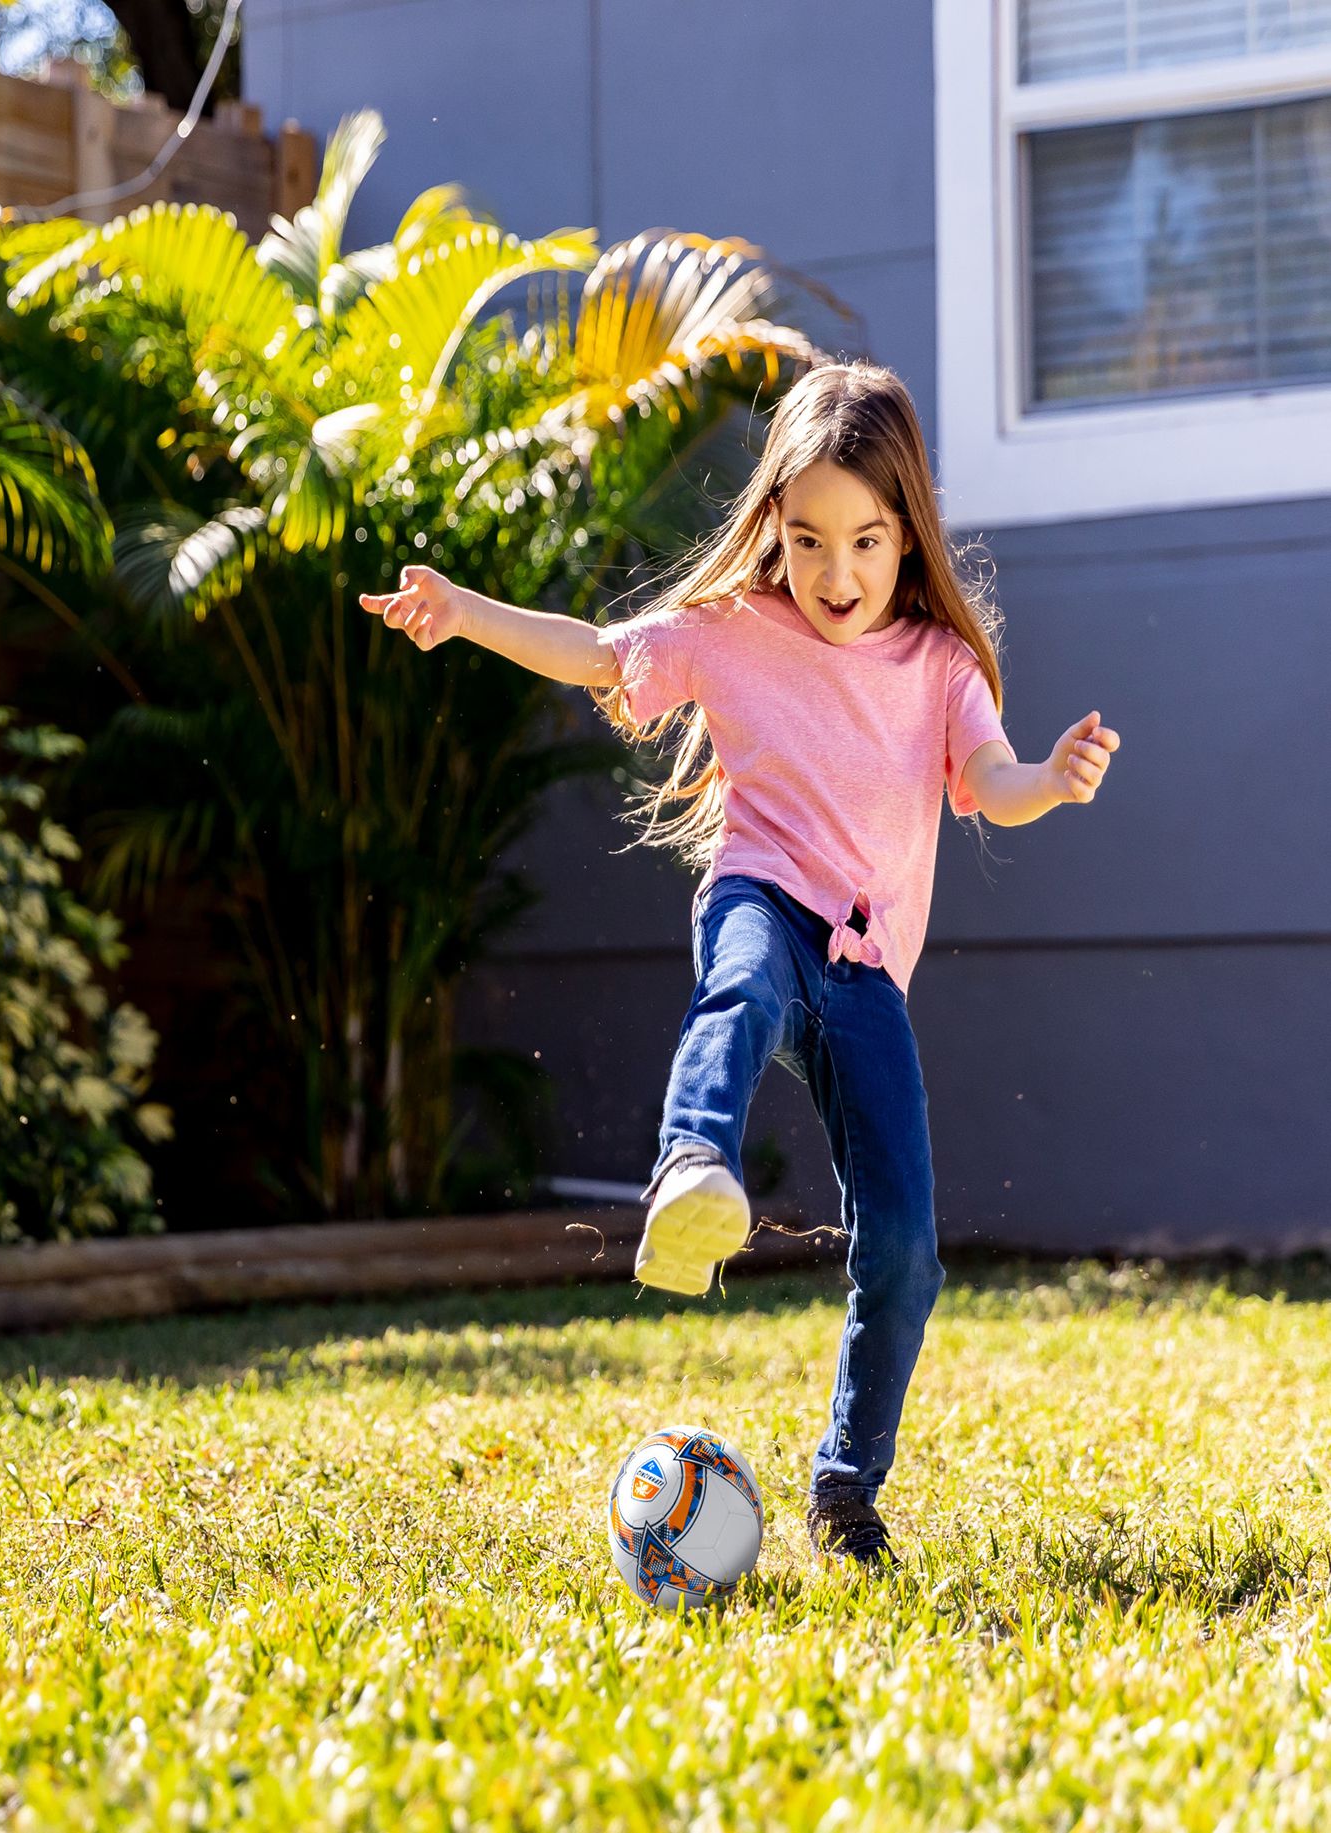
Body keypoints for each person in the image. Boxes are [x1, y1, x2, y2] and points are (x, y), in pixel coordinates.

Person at [359, 359, 1120, 1570]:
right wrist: (469, 614)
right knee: (740, 988)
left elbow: (990, 780)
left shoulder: (938, 668)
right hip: (763, 896)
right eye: (809, 539)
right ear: (774, 525)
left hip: (869, 972)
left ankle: (847, 1488)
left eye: (867, 542)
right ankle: (691, 1168)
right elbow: (603, 654)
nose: (837, 574)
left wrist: (1053, 782)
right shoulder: (730, 631)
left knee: (906, 1251)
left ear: (905, 533)